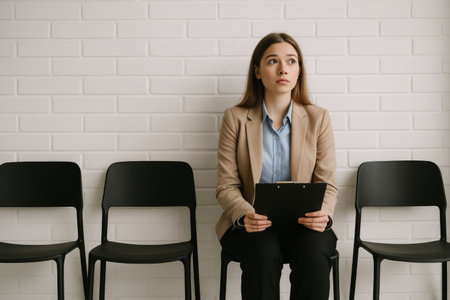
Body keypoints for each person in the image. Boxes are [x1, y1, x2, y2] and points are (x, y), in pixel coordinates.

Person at [215, 32, 338, 300]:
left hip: (304, 224)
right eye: (273, 61)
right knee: (262, 251)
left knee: (316, 251)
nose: (283, 69)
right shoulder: (235, 118)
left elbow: (327, 184)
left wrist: (324, 214)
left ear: (299, 71)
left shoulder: (319, 118)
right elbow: (226, 186)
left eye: (291, 61)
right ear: (258, 72)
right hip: (251, 224)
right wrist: (245, 214)